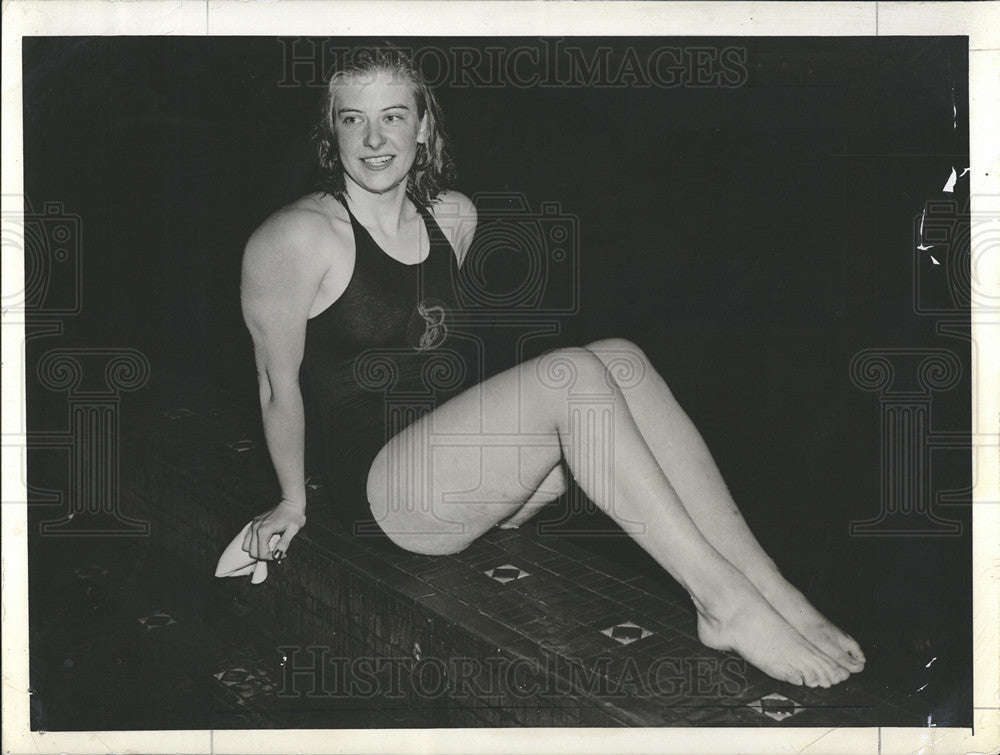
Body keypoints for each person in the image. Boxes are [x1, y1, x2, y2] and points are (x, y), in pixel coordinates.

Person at [239, 46, 866, 688]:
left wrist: (507, 456)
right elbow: (273, 385)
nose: (374, 139)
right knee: (569, 374)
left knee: (620, 360)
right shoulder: (296, 238)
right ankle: (722, 603)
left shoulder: (452, 217)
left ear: (424, 127)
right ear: (331, 129)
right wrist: (291, 501)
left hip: (455, 482)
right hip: (384, 498)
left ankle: (769, 588)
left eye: (393, 117)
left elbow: (434, 363)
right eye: (353, 120)